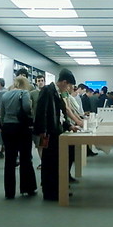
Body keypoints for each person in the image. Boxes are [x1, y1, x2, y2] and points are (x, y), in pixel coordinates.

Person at [33, 68, 80, 201]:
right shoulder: (47, 91)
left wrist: (69, 126)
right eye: (70, 85)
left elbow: (60, 114)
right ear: (64, 82)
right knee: (49, 163)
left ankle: (58, 188)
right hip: (48, 134)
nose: (70, 88)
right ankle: (50, 192)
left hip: (56, 133)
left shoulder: (57, 93)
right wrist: (42, 133)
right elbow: (41, 113)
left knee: (56, 163)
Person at [0, 76, 38, 199]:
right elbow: (27, 108)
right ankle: (27, 188)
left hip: (7, 127)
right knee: (25, 158)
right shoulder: (24, 93)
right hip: (22, 128)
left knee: (9, 160)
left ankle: (9, 192)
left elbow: (2, 113)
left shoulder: (5, 95)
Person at [30, 74, 46, 167]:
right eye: (38, 81)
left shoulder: (48, 92)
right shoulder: (32, 94)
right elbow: (30, 107)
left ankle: (45, 162)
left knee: (45, 143)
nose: (40, 82)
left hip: (46, 121)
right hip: (36, 122)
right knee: (38, 144)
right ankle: (43, 162)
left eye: (42, 80)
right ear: (36, 82)